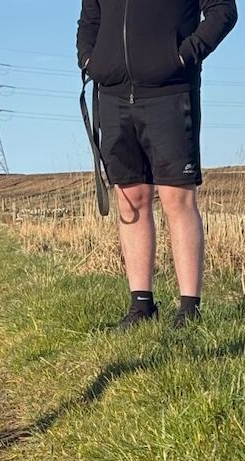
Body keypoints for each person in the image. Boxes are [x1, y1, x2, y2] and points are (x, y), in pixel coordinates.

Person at [77, 0, 238, 329]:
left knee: (177, 198)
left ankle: (189, 310)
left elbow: (224, 10)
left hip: (170, 91)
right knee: (130, 198)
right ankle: (141, 306)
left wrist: (183, 56)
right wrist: (90, 61)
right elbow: (89, 18)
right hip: (112, 93)